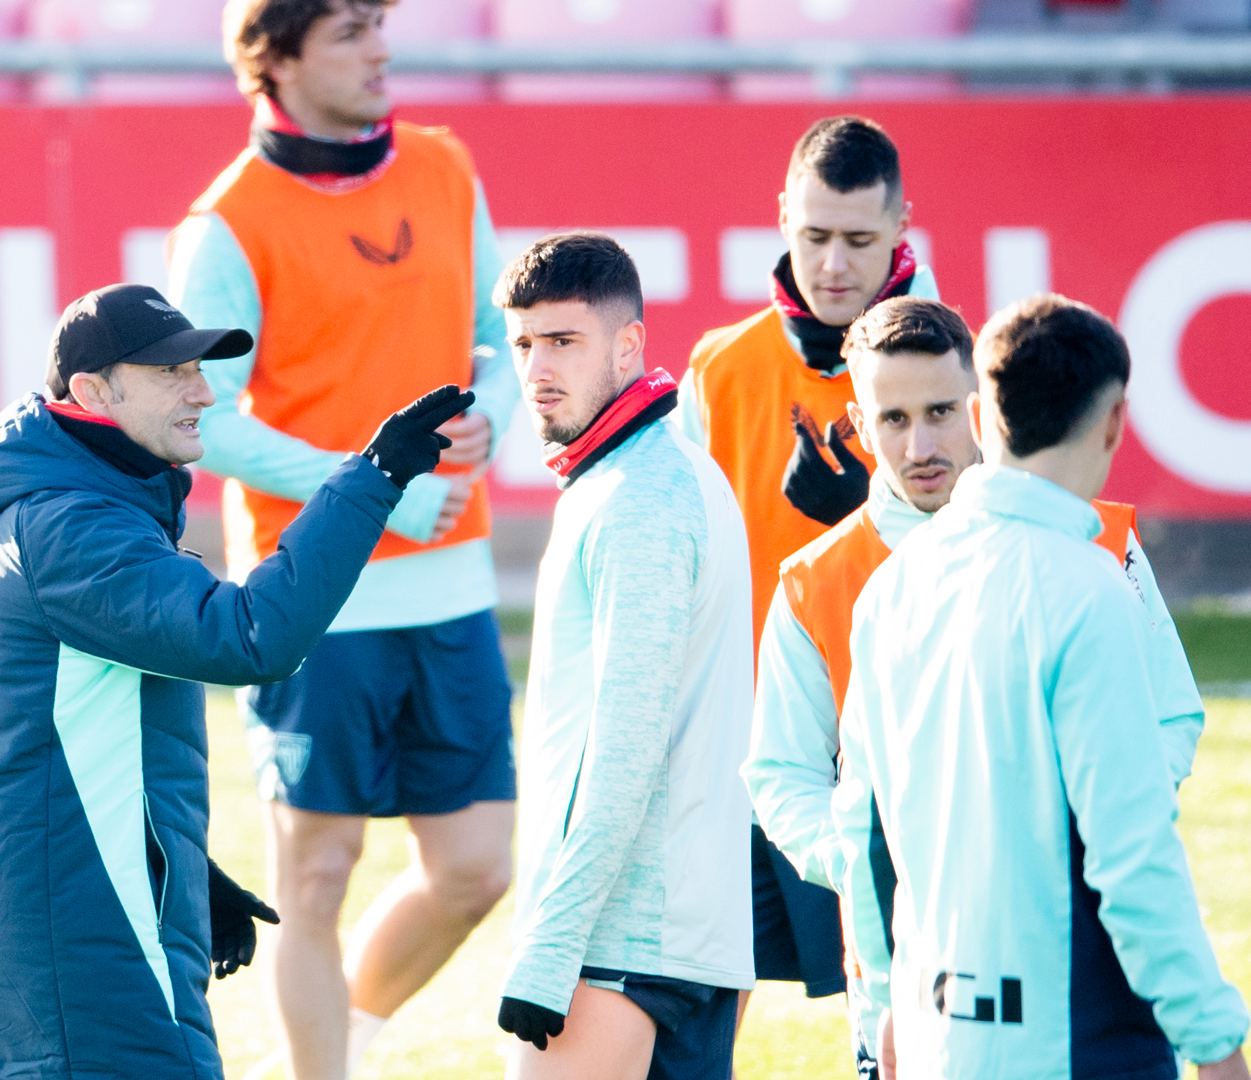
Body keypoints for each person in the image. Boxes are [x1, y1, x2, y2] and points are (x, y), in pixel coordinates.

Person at [0, 283, 474, 1079]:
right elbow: (252, 636)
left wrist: (179, 867)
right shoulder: (71, 525)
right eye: (171, 373)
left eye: (198, 367)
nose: (204, 392)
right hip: (83, 949)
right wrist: (373, 479)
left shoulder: (79, 499)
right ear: (92, 392)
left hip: (79, 925)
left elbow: (68, 736)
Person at [168, 2, 519, 1076]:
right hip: (311, 600)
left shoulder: (446, 168)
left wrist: (494, 411)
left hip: (452, 588)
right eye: (350, 31)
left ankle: (338, 1040)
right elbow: (202, 415)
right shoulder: (224, 222)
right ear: (273, 60)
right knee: (313, 876)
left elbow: (497, 340)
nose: (382, 49)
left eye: (381, 23)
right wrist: (377, 484)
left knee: (476, 868)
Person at [740, 297, 1208, 1077]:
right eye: (892, 420)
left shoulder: (1103, 545)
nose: (920, 445)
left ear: (980, 409)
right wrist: (884, 858)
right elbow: (782, 775)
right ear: (857, 421)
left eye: (939, 413)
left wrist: (1047, 832)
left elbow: (1171, 721)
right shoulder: (815, 583)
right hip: (907, 969)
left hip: (1075, 939)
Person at [675, 114, 938, 1020]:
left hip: (908, 722)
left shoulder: (952, 371)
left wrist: (870, 522)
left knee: (912, 988)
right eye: (815, 234)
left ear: (904, 226)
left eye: (861, 240)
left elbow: (986, 560)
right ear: (782, 215)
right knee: (706, 984)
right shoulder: (718, 364)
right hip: (752, 732)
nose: (834, 264)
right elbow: (685, 557)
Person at [495, 233, 754, 1080]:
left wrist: (552, 943)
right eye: (525, 342)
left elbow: (626, 745)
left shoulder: (639, 495)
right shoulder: (657, 474)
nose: (538, 368)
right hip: (684, 939)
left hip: (620, 941)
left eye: (564, 340)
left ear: (630, 344)